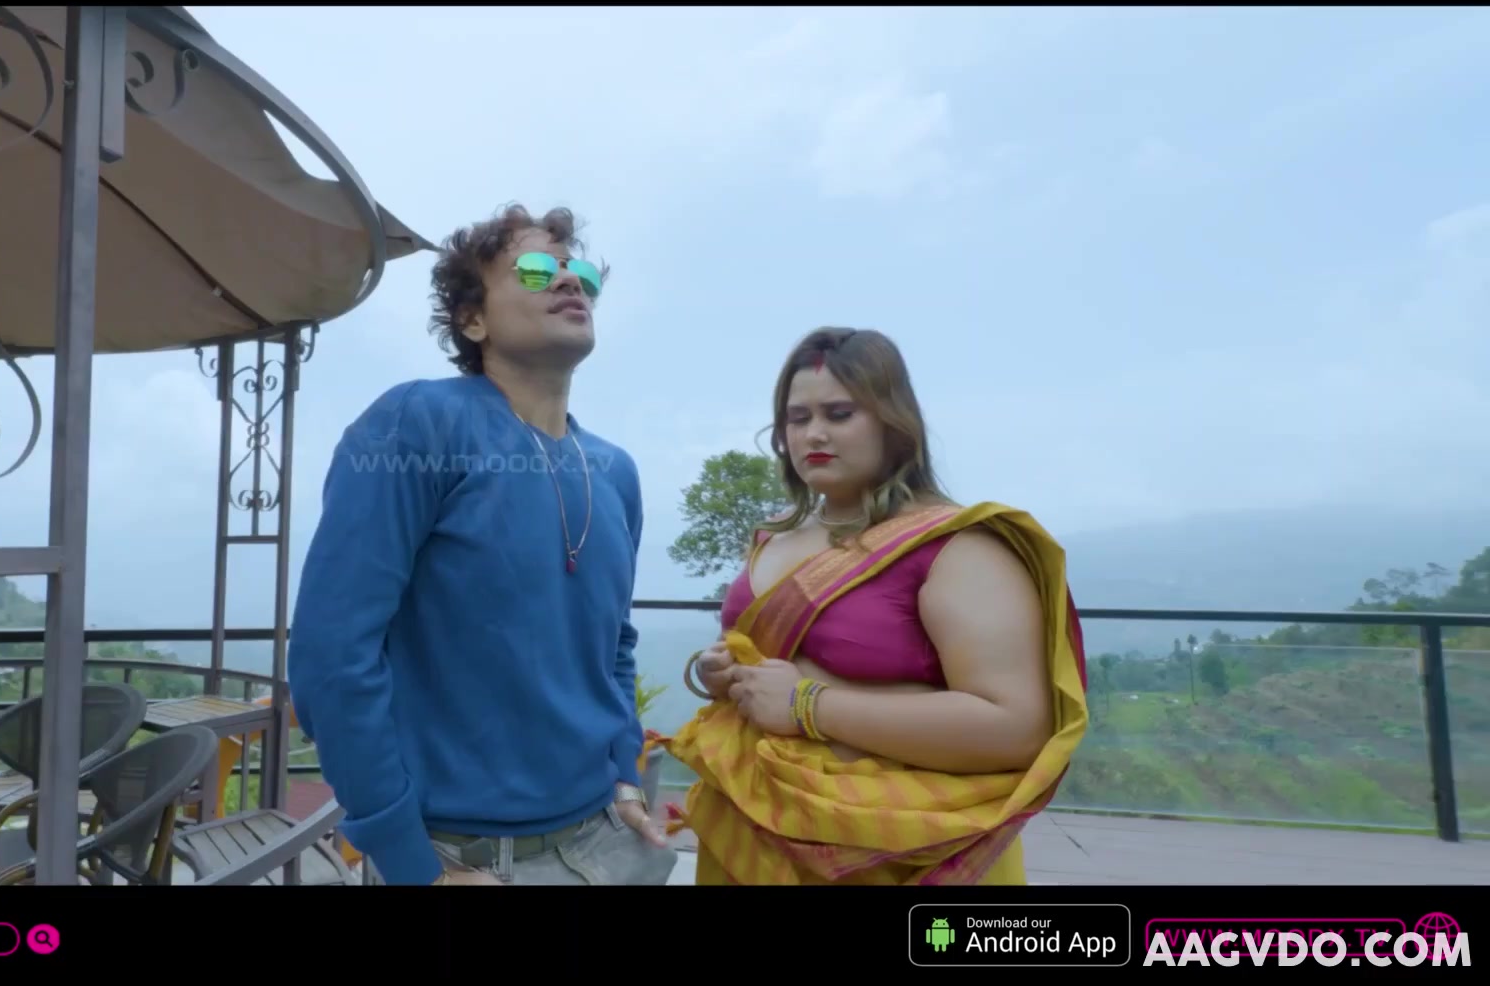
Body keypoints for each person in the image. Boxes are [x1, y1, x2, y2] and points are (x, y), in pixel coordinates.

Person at [286, 204, 678, 887]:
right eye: (536, 270)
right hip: (463, 859)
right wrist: (413, 865)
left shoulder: (615, 471)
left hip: (610, 840)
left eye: (580, 272)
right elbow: (333, 655)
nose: (570, 281)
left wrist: (624, 774)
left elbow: (613, 643)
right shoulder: (419, 423)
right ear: (473, 320)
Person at [658, 326, 1089, 885]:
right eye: (797, 418)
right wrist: (723, 672)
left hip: (894, 849)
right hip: (749, 827)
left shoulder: (956, 547)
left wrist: (807, 705)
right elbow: (769, 659)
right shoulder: (773, 537)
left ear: (894, 421)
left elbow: (1015, 729)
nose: (814, 433)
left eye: (839, 414)